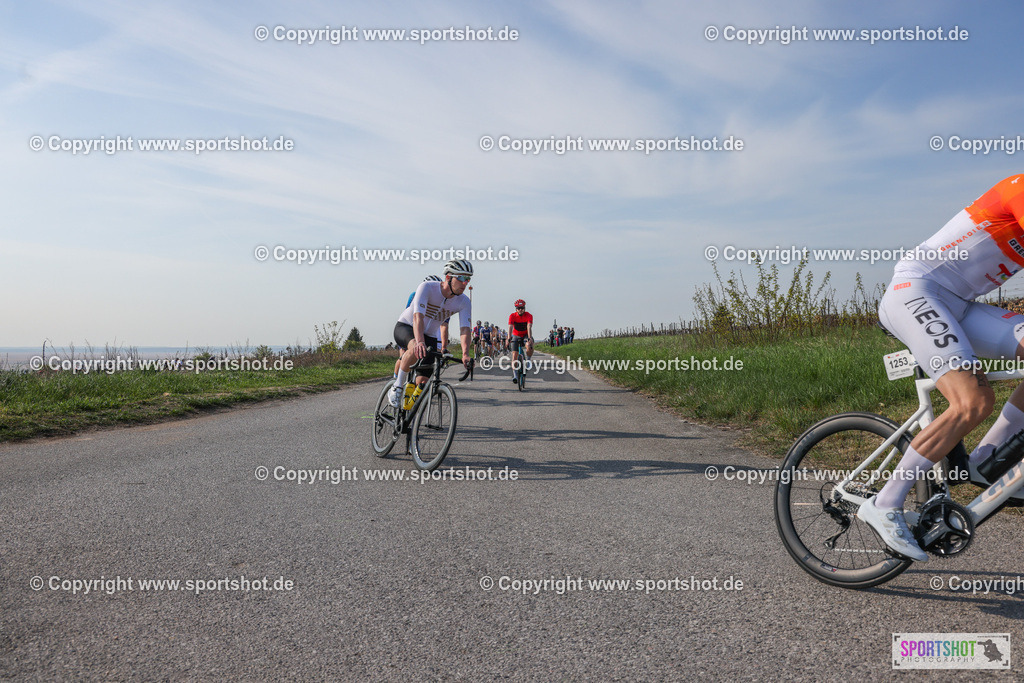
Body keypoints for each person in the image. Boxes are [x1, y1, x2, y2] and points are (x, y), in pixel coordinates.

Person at [862, 174, 1024, 561]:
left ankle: (985, 460)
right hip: (917, 290)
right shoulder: (1019, 188)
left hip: (961, 304)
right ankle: (884, 503)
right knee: (973, 401)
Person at [388, 260, 473, 407]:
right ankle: (397, 386)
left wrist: (465, 354)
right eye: (461, 278)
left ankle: (409, 411)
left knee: (423, 381)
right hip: (407, 327)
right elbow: (418, 317)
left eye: (468, 279)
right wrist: (420, 341)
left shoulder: (464, 301)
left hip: (430, 336)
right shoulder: (427, 287)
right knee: (414, 348)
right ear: (448, 277)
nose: (464, 283)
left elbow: (465, 329)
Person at [508, 299, 534, 383]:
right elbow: (510, 327)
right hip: (516, 335)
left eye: (522, 308)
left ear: (524, 308)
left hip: (525, 335)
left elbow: (529, 327)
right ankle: (515, 375)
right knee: (514, 355)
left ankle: (528, 360)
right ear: (516, 309)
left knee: (529, 346)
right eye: (518, 308)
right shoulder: (512, 316)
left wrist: (529, 338)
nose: (520, 310)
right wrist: (509, 338)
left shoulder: (529, 315)